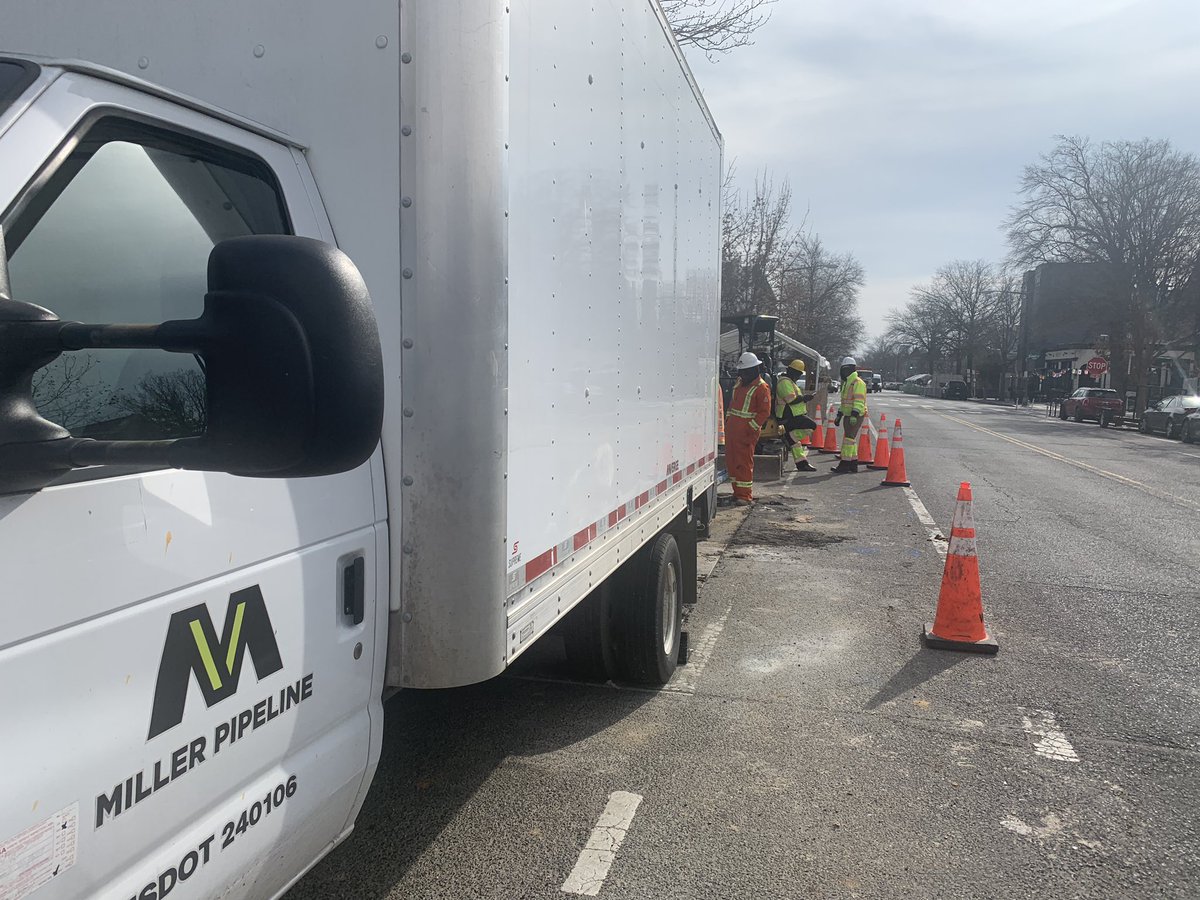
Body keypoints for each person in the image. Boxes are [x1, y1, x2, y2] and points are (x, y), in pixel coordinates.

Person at [725, 351, 772, 504]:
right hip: (733, 431)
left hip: (746, 433)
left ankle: (745, 496)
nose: (742, 375)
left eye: (745, 372)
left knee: (744, 463)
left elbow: (764, 412)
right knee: (732, 463)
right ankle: (737, 492)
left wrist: (750, 428)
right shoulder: (740, 384)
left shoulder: (761, 387)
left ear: (753, 371)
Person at [775, 358, 817, 472]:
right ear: (792, 371)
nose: (798, 377)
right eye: (798, 374)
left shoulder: (789, 381)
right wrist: (804, 398)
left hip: (793, 415)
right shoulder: (784, 382)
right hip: (787, 416)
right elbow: (790, 399)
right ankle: (789, 438)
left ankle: (802, 463)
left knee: (795, 441)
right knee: (812, 425)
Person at [831, 356, 868, 474]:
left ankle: (845, 464)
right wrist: (839, 415)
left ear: (852, 369)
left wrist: (854, 414)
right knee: (851, 439)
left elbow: (859, 401)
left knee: (848, 439)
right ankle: (853, 463)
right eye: (843, 369)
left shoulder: (857, 382)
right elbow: (844, 401)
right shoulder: (847, 383)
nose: (844, 372)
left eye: (846, 369)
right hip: (848, 415)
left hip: (855, 415)